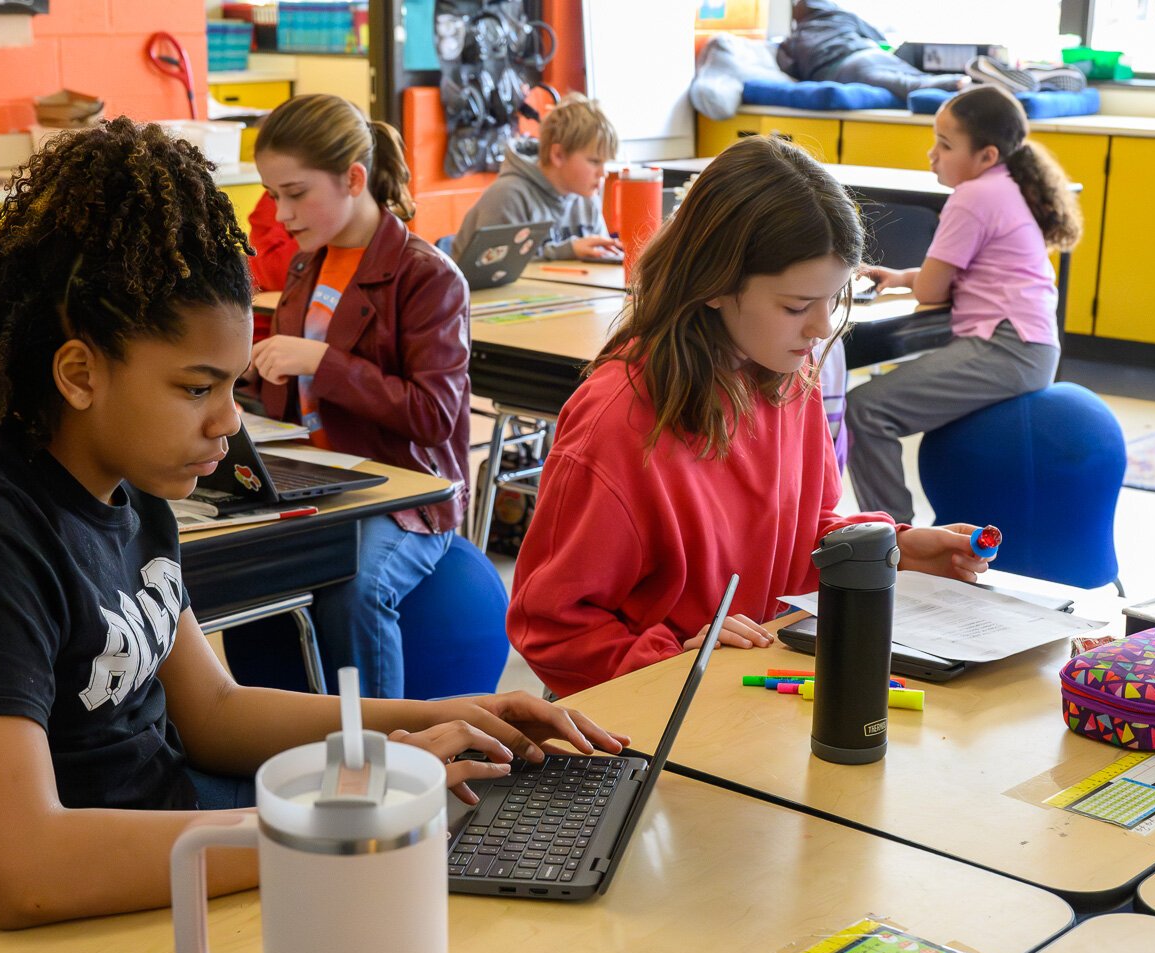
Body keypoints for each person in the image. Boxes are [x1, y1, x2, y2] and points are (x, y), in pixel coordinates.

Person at [0, 117, 627, 945]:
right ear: (79, 373)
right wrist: (334, 825)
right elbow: (22, 867)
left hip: (161, 874)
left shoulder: (130, 485)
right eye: (197, 388)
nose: (229, 423)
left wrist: (437, 715)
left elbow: (211, 709)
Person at [507, 136, 991, 698]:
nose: (817, 329)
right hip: (643, 720)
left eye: (833, 300)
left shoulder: (787, 373)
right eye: (794, 306)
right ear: (714, 283)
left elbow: (795, 533)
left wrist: (891, 547)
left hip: (748, 691)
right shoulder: (618, 423)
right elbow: (549, 624)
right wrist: (671, 664)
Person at [245, 94, 473, 699]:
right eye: (272, 194)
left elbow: (436, 416)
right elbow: (278, 394)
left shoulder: (428, 276)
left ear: (353, 178)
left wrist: (324, 363)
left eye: (295, 193)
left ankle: (386, 759)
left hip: (404, 495)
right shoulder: (305, 267)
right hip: (319, 480)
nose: (281, 212)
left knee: (357, 587)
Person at [847, 85, 1082, 524]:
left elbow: (934, 291)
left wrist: (917, 282)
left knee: (865, 410)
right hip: (1027, 346)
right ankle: (895, 533)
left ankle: (892, 537)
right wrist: (903, 278)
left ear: (987, 156)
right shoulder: (1007, 186)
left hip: (1006, 349)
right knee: (872, 406)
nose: (932, 153)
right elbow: (963, 278)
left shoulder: (972, 197)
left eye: (946, 144)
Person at [448, 94, 624, 263]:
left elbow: (603, 258)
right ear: (558, 155)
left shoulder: (587, 199)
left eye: (605, 163)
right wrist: (566, 251)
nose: (603, 173)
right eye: (594, 161)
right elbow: (495, 270)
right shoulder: (508, 196)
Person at [777, 0, 965, 103]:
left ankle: (959, 83)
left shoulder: (793, 39)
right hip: (868, 54)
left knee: (908, 85)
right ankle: (969, 81)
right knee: (919, 76)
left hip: (843, 69)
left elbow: (788, 67)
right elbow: (878, 37)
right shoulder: (842, 17)